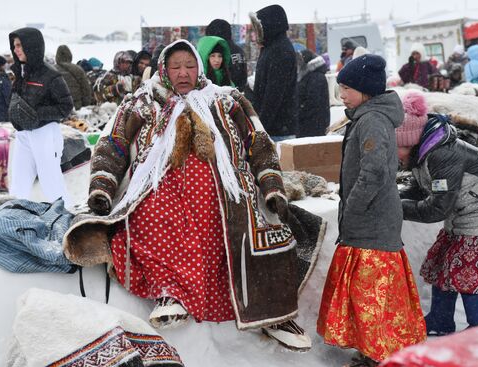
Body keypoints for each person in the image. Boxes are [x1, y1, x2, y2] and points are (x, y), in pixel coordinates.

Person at [63, 39, 325, 351]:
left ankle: (269, 310)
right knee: (151, 215)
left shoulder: (227, 100)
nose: (183, 73)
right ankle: (171, 292)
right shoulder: (143, 102)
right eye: (175, 67)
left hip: (227, 188)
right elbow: (114, 143)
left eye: (189, 65)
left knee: (249, 226)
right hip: (157, 186)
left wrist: (271, 185)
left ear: (199, 68)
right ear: (164, 69)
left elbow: (258, 140)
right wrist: (102, 188)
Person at [317, 55, 427, 367]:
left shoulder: (373, 121)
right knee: (368, 294)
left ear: (366, 91)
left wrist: (352, 207)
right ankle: (374, 350)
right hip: (369, 218)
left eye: (346, 88)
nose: (341, 94)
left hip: (372, 221)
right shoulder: (366, 116)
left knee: (374, 295)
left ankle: (381, 354)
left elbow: (375, 172)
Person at [396, 93, 478, 336]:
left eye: (399, 147)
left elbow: (437, 208)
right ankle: (440, 319)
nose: (397, 154)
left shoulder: (441, 154)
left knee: (470, 271)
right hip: (469, 210)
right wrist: (396, 198)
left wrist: (396, 208)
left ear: (411, 140)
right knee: (443, 262)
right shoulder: (423, 152)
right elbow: (422, 188)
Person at [7, 27, 73, 206]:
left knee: (51, 181)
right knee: (19, 183)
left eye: (20, 45)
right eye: (14, 46)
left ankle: (65, 215)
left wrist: (37, 115)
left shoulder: (51, 75)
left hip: (45, 132)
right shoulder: (20, 72)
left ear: (32, 46)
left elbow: (66, 106)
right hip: (23, 134)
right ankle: (13, 217)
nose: (16, 49)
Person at [250, 4, 298, 141]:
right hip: (274, 128)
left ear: (269, 25)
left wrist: (260, 127)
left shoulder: (280, 51)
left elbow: (274, 94)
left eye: (258, 27)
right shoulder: (271, 47)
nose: (256, 32)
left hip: (278, 130)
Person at [206, 18, 247, 91]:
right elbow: (243, 76)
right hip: (240, 94)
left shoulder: (221, 50)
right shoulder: (239, 50)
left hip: (224, 95)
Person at [296, 49, 329, 137]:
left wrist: (298, 113)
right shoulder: (310, 76)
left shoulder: (315, 77)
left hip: (312, 124)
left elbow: (313, 102)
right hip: (313, 123)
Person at [55, 45, 92, 110]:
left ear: (57, 57)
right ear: (70, 56)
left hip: (57, 107)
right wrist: (85, 106)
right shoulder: (78, 69)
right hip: (76, 106)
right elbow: (86, 90)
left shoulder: (51, 70)